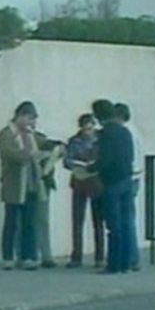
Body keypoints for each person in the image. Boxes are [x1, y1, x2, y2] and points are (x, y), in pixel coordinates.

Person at [0, 101, 60, 270]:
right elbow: (8, 152)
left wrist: (55, 147)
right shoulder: (7, 134)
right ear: (21, 116)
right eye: (30, 119)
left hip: (32, 182)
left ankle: (28, 256)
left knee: (29, 221)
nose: (32, 123)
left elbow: (44, 142)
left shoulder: (32, 135)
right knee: (11, 221)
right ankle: (8, 257)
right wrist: (29, 155)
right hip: (14, 183)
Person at [89, 100, 134, 274]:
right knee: (124, 223)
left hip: (111, 182)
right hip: (126, 179)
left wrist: (91, 168)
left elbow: (105, 159)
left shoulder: (106, 134)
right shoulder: (125, 131)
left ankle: (113, 265)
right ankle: (125, 263)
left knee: (113, 226)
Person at [64, 114, 105, 269]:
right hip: (79, 180)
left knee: (98, 221)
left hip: (95, 182)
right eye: (85, 128)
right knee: (77, 220)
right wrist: (75, 164)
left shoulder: (100, 141)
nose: (88, 131)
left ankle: (100, 256)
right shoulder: (74, 141)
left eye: (91, 128)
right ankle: (76, 255)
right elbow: (67, 160)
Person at [114, 102, 143, 272]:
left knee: (125, 219)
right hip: (135, 177)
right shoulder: (135, 131)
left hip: (127, 178)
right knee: (128, 218)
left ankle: (130, 257)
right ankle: (131, 257)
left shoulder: (126, 133)